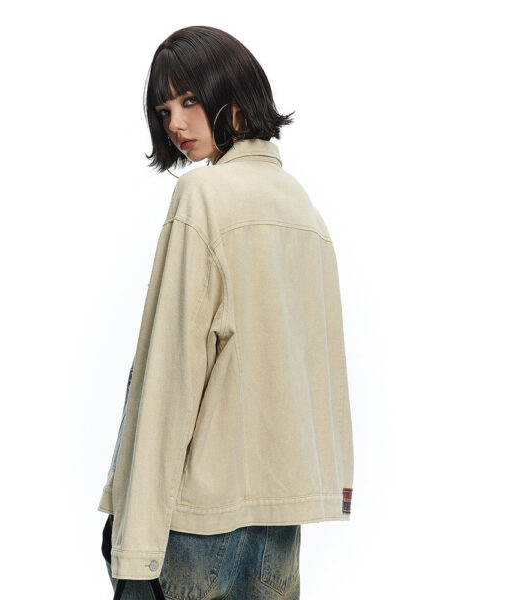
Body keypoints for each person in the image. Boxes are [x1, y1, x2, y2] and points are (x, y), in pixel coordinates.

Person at [98, 25, 354, 599]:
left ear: (234, 96)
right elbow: (322, 371)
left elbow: (171, 378)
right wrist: (332, 488)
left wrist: (134, 549)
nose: (175, 123)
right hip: (279, 529)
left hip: (197, 525)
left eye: (189, 100)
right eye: (164, 110)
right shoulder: (305, 210)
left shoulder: (203, 197)